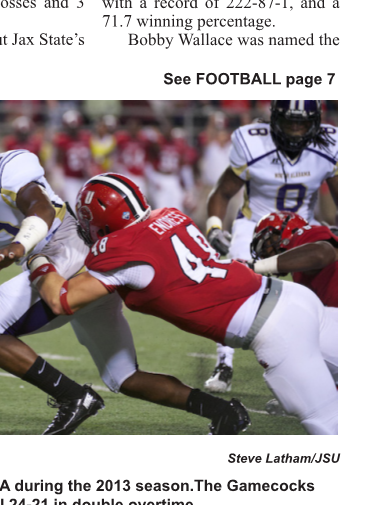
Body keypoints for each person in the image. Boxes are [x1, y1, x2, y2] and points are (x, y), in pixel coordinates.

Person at [0, 114, 247, 439]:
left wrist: (20, 248)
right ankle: (224, 413)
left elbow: (41, 209)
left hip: (65, 253)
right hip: (76, 270)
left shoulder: (9, 167)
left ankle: (73, 398)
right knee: (123, 378)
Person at [37, 171, 337, 435]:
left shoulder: (121, 250)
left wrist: (37, 258)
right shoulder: (171, 215)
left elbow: (61, 300)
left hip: (275, 330)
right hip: (294, 298)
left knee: (330, 426)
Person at [202, 97, 337, 395]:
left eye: (302, 124)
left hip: (301, 230)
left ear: (314, 124)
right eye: (290, 122)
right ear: (275, 119)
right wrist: (214, 226)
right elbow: (222, 193)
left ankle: (316, 374)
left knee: (317, 301)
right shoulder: (253, 143)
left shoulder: (329, 146)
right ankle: (224, 363)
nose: (295, 131)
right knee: (234, 289)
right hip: (254, 227)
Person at [248, 209, 338, 310]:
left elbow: (321, 253)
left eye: (265, 244)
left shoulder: (302, 236)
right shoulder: (299, 272)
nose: (264, 254)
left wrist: (257, 266)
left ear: (280, 234)